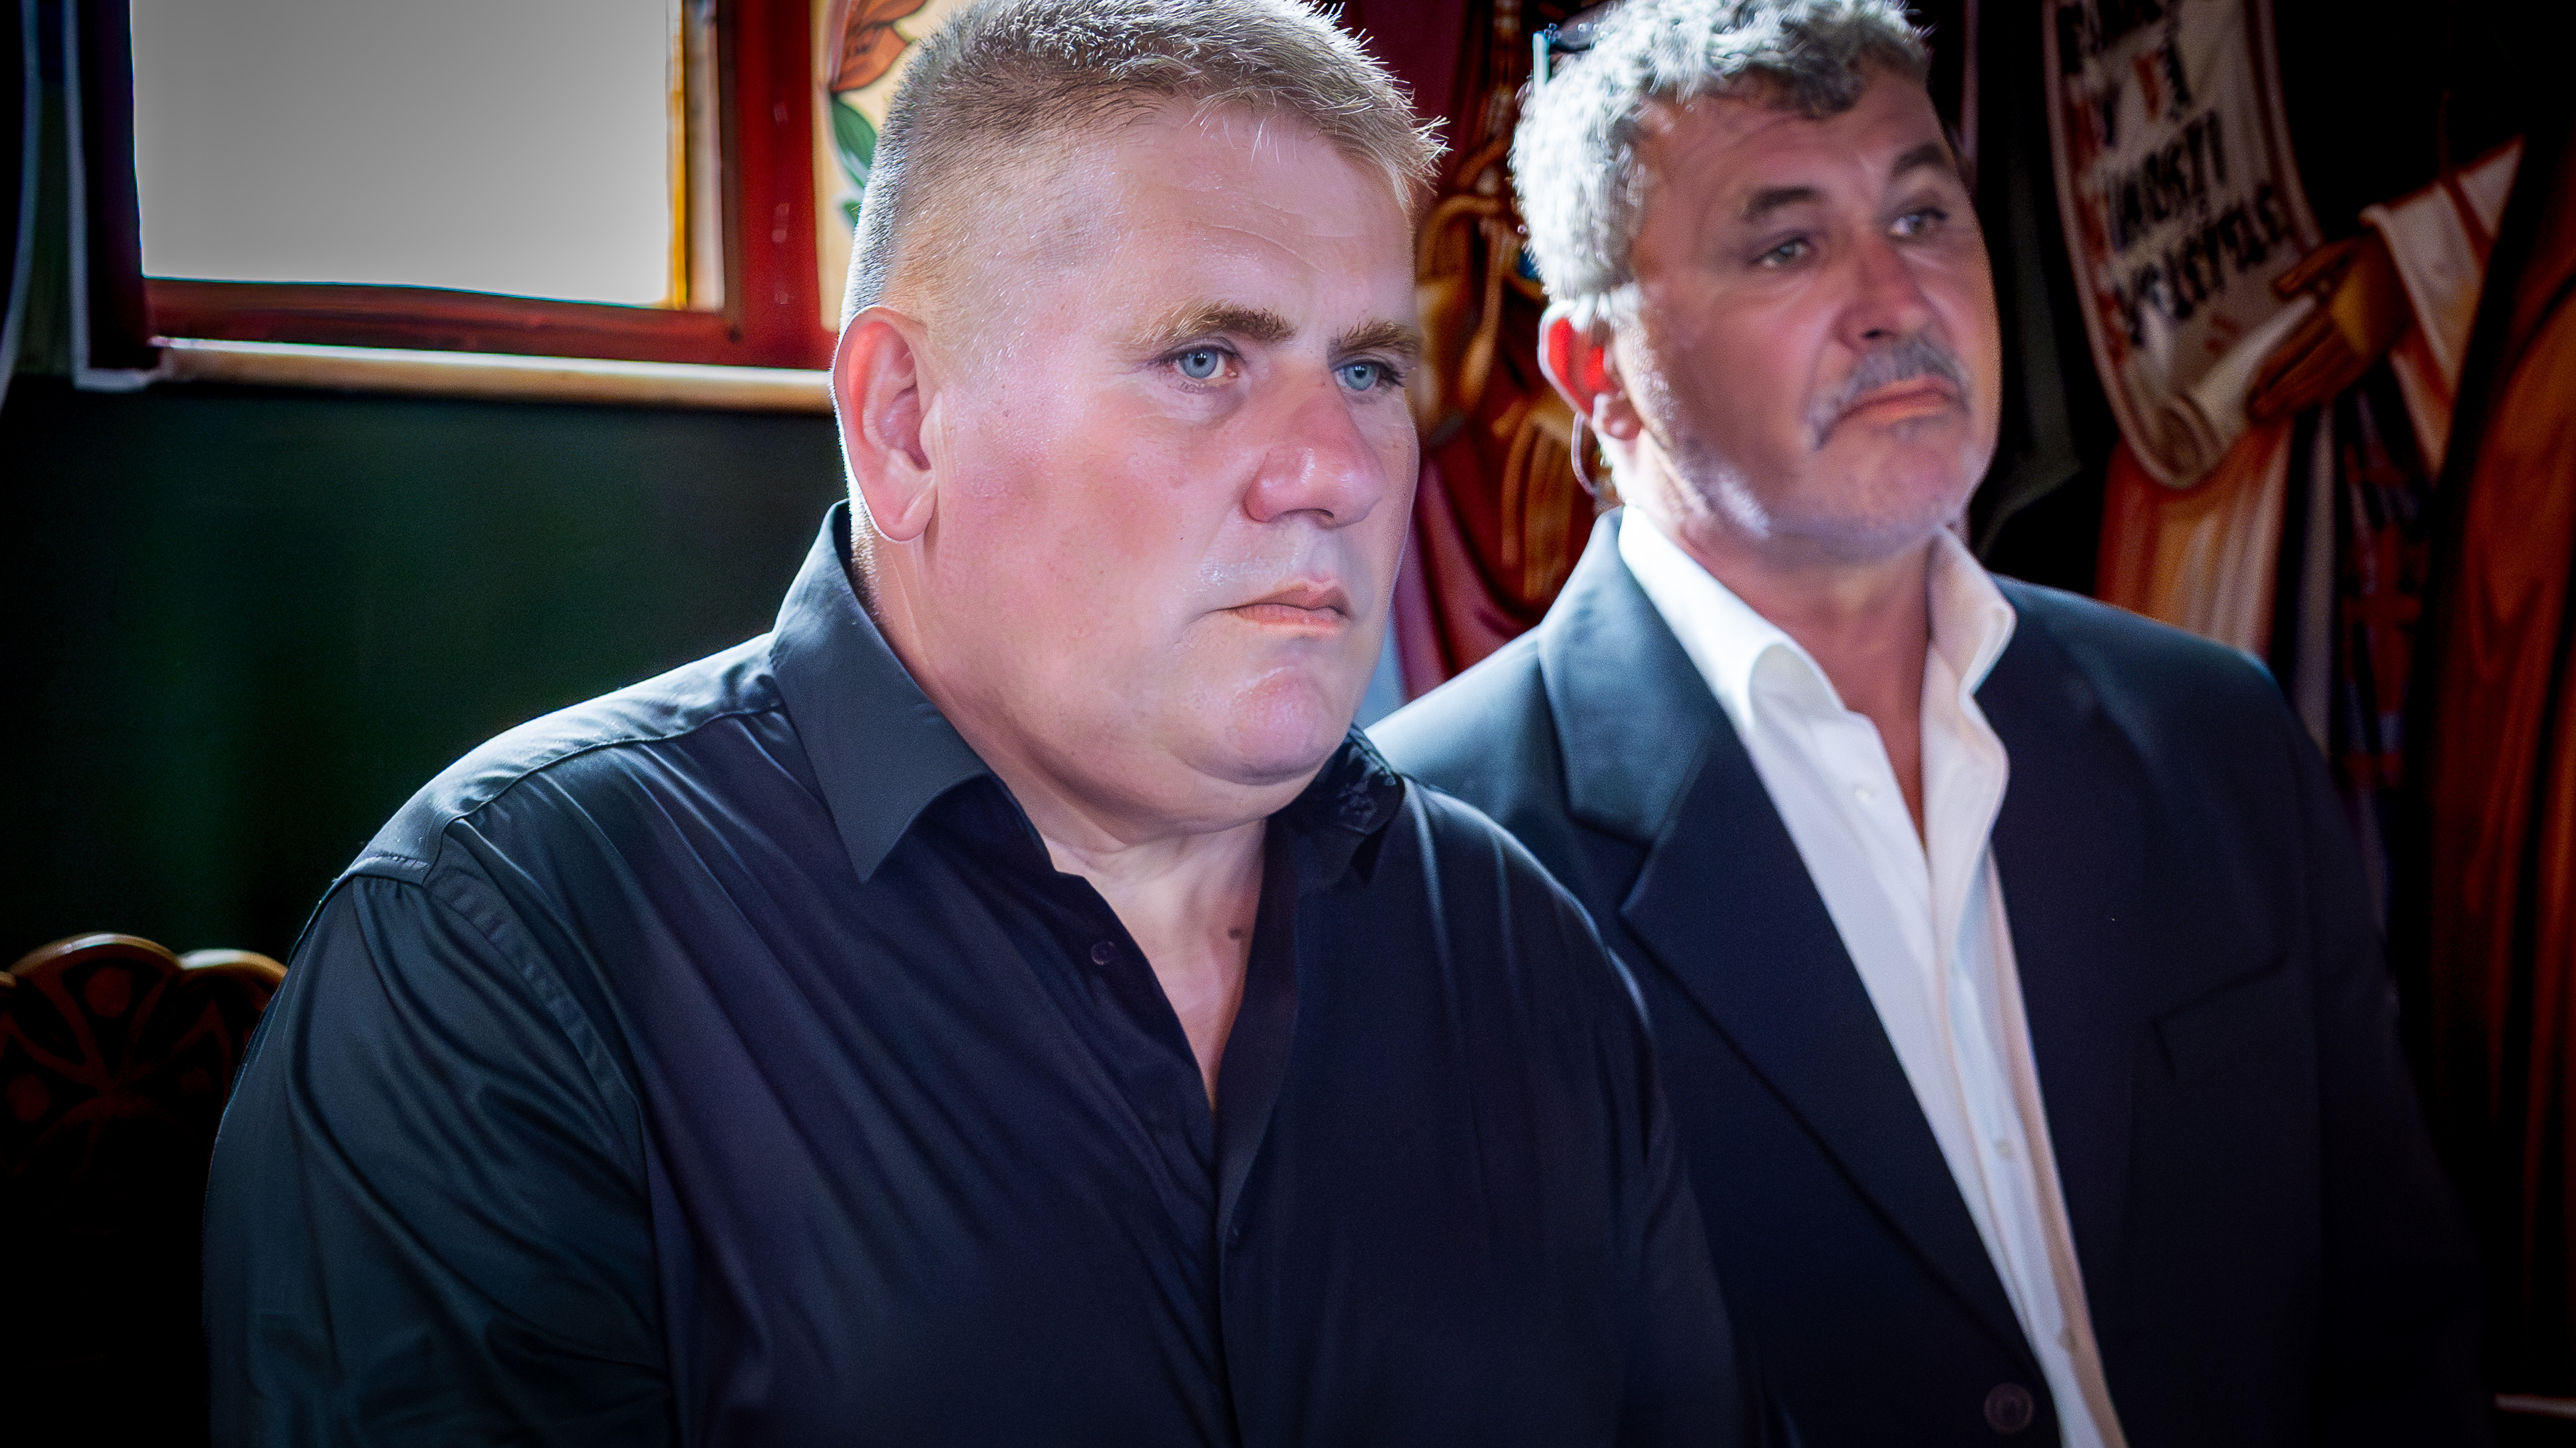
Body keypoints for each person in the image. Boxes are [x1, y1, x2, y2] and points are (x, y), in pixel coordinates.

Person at [200, 2, 1756, 1443]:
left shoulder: (1515, 947)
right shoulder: (510, 948)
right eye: (1205, 359)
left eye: (1363, 368)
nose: (1338, 470)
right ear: (905, 423)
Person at [1373, 2, 2486, 1444]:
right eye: (1787, 246)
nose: (1896, 298)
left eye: (1921, 216)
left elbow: (2400, 1330)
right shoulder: (1418, 861)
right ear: (1600, 376)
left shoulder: (2206, 726)